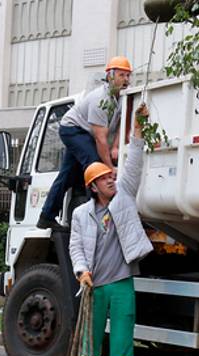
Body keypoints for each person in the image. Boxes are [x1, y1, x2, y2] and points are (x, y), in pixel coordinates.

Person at [68, 103, 155, 356]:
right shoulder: (81, 214)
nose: (112, 179)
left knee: (121, 346)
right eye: (105, 178)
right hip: (94, 287)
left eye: (111, 175)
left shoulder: (124, 197)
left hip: (121, 284)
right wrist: (82, 272)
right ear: (93, 186)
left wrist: (138, 126)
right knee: (89, 345)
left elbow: (134, 163)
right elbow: (76, 248)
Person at [37, 56, 132, 230]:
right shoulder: (100, 100)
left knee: (67, 175)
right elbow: (100, 139)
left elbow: (123, 125)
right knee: (96, 167)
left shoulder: (124, 97)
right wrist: (110, 168)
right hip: (72, 129)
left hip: (85, 133)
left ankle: (46, 216)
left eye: (128, 76)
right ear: (110, 76)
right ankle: (96, 219)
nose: (126, 80)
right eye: (121, 75)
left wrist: (117, 146)